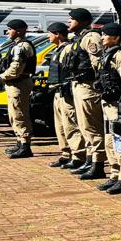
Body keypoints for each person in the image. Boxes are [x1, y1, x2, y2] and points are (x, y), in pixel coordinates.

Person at [96, 24, 121, 194]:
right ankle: (115, 174)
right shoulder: (107, 55)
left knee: (120, 141)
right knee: (109, 140)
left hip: (116, 105)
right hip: (107, 103)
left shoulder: (120, 55)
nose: (102, 37)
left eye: (105, 35)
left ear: (116, 38)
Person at [66, 8, 107, 180]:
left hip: (89, 88)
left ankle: (97, 164)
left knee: (92, 127)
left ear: (81, 21)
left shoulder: (91, 37)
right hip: (79, 85)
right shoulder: (80, 38)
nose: (69, 22)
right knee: (84, 127)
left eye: (72, 19)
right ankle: (90, 161)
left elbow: (98, 64)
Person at [44, 22, 85, 169]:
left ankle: (78, 155)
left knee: (71, 125)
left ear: (58, 34)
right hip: (58, 92)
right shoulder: (59, 49)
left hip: (67, 92)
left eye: (50, 33)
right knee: (60, 126)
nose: (48, 36)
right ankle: (66, 153)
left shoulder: (68, 48)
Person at [0, 19, 38, 158]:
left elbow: (16, 69)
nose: (8, 31)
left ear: (20, 31)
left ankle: (25, 146)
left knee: (19, 114)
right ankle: (19, 143)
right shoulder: (17, 45)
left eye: (10, 29)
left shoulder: (22, 46)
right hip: (15, 83)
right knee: (14, 114)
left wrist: (2, 77)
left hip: (19, 83)